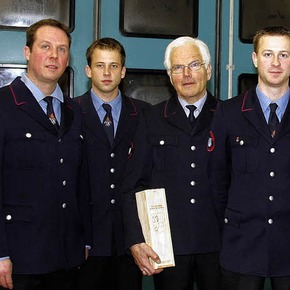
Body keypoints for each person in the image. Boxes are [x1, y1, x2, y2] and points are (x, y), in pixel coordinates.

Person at [210, 25, 290, 290]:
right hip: (241, 244)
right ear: (255, 59)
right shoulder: (228, 113)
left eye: (283, 55)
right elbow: (217, 180)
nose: (275, 63)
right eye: (267, 54)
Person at [122, 36, 221, 290]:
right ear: (169, 75)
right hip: (167, 247)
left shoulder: (227, 116)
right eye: (178, 67)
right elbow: (133, 184)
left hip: (220, 246)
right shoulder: (151, 119)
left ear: (208, 70)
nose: (186, 74)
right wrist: (135, 239)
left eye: (194, 65)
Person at [0, 18, 85, 290]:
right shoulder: (4, 105)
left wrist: (85, 239)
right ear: (27, 52)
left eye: (61, 49)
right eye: (45, 46)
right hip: (19, 257)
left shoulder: (74, 111)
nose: (53, 56)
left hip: (66, 257)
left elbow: (80, 180)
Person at [75, 37, 150, 290]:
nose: (107, 73)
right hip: (86, 240)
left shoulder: (143, 114)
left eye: (114, 66)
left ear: (123, 71)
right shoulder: (70, 112)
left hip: (129, 241)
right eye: (99, 65)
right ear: (88, 70)